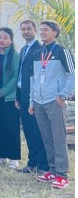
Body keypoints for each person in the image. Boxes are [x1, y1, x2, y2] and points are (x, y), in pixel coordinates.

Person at [29, 20, 75, 189]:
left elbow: (72, 76)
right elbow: (34, 79)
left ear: (55, 32)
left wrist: (62, 96)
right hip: (39, 102)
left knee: (58, 138)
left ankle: (62, 174)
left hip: (55, 101)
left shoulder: (63, 51)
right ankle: (52, 170)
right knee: (47, 138)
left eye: (46, 30)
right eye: (41, 30)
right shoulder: (38, 53)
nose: (42, 32)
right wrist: (31, 101)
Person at [15, 20, 47, 174]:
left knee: (37, 131)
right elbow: (20, 75)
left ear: (35, 30)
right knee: (28, 131)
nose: (26, 31)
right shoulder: (23, 49)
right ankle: (32, 163)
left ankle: (42, 165)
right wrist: (17, 96)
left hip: (33, 97)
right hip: (22, 95)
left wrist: (32, 99)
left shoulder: (40, 49)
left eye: (29, 29)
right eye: (23, 29)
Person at [0, 27, 21, 169]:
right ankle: (2, 156)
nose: (2, 40)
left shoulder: (15, 55)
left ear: (11, 40)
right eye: (0, 37)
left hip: (9, 97)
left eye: (5, 37)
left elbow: (16, 78)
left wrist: (2, 92)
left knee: (11, 127)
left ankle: (14, 158)